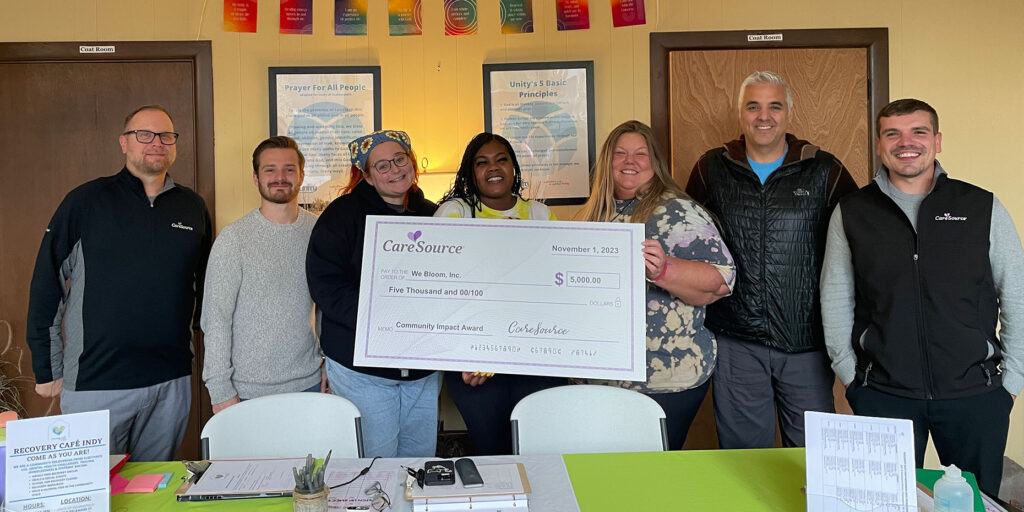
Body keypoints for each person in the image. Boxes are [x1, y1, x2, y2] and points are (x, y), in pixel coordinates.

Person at [821, 98, 1023, 495]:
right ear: (880, 144)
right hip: (883, 395)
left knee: (974, 503)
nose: (905, 142)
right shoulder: (853, 211)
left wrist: (1012, 379)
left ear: (938, 141)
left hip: (975, 395)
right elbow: (835, 297)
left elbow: (1015, 291)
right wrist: (848, 373)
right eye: (892, 133)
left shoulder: (980, 205)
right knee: (884, 502)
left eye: (919, 131)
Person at [25, 105, 212, 461]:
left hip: (169, 382)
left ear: (174, 145)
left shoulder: (192, 207)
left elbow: (204, 288)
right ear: (123, 143)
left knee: (150, 490)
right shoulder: (85, 202)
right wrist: (47, 366)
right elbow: (47, 280)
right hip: (97, 382)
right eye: (144, 134)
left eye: (166, 136)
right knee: (93, 493)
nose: (156, 143)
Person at [685, 71, 858, 449]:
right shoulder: (711, 168)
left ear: (789, 113)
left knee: (814, 457)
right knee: (746, 459)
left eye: (774, 106)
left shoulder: (824, 169)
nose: (764, 116)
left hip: (806, 343)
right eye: (753, 106)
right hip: (735, 340)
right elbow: (690, 243)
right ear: (741, 114)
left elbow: (858, 249)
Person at [578, 120, 735, 449]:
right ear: (607, 162)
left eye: (640, 154)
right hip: (601, 379)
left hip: (665, 378)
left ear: (656, 163)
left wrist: (664, 269)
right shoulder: (591, 216)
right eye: (620, 154)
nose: (629, 161)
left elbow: (720, 281)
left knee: (651, 480)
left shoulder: (678, 212)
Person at [306, 130, 441, 458]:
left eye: (400, 159)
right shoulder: (341, 216)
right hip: (363, 369)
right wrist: (382, 317)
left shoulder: (436, 215)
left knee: (419, 464)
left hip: (422, 368)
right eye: (382, 166)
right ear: (365, 175)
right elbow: (326, 285)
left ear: (412, 161)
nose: (395, 169)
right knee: (375, 466)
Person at [434, 132, 565, 455]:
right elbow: (437, 292)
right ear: (470, 172)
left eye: (501, 159)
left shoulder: (539, 214)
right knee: (493, 452)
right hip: (475, 365)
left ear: (514, 166)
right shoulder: (455, 214)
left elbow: (558, 289)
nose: (493, 168)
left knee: (539, 450)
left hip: (535, 360)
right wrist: (467, 350)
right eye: (482, 163)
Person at [201, 136, 325, 414]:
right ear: (256, 178)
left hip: (309, 385)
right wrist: (220, 392)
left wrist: (328, 363)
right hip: (247, 393)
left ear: (302, 176)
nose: (280, 177)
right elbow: (216, 319)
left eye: (289, 169)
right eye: (270, 170)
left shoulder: (319, 233)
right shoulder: (234, 239)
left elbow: (326, 307)